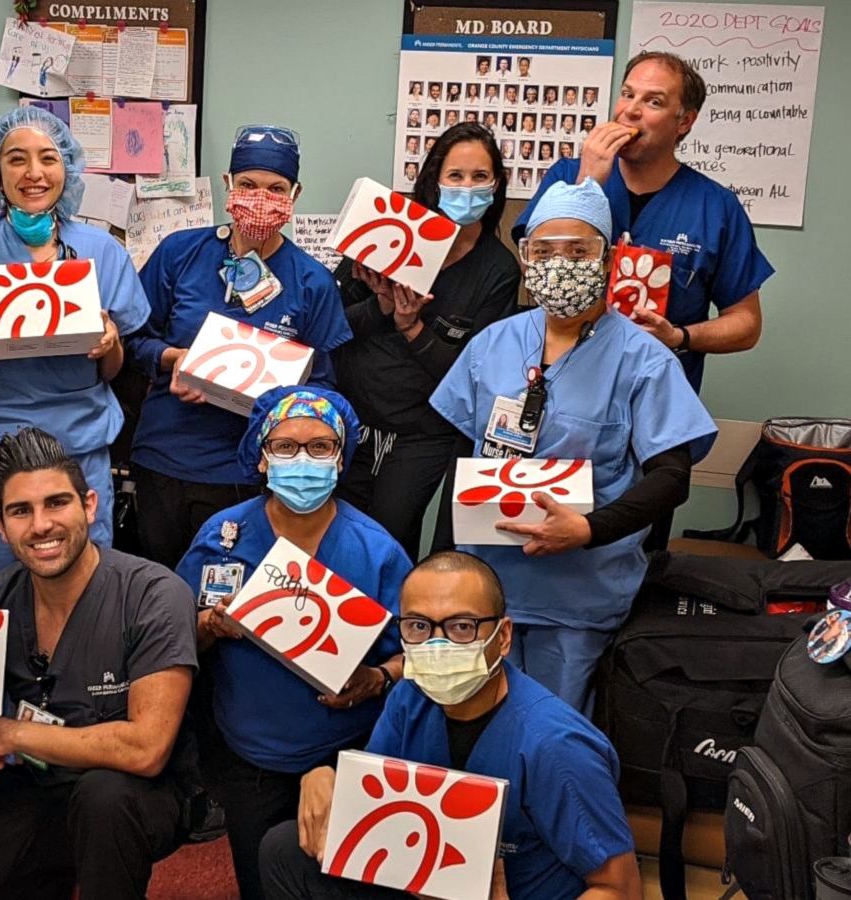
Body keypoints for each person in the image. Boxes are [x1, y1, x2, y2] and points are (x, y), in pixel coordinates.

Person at [432, 179, 716, 711]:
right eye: (543, 250)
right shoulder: (492, 345)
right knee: (475, 727)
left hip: (578, 597)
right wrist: (448, 566)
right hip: (486, 588)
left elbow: (670, 478)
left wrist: (587, 530)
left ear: (607, 258)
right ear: (525, 257)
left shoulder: (643, 359)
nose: (559, 263)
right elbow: (460, 460)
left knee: (556, 735)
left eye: (578, 250)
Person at [0, 428, 197, 900]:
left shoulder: (153, 594)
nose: (41, 525)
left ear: (89, 505)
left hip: (140, 795)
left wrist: (11, 733)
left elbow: (146, 750)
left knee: (103, 800)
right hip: (39, 781)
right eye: (20, 511)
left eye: (56, 503)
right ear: (0, 527)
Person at [257, 552, 641, 900]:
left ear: (503, 636)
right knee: (285, 850)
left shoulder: (556, 746)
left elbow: (620, 890)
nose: (437, 646)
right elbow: (372, 808)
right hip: (425, 881)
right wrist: (323, 776)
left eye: (461, 627)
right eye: (419, 627)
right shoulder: (411, 698)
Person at [177, 386, 409, 900]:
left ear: (341, 459)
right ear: (261, 457)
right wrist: (210, 625)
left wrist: (376, 679)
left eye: (320, 447)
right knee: (262, 883)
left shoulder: (377, 551)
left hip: (346, 756)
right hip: (248, 761)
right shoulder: (223, 537)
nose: (302, 460)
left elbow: (417, 654)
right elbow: (169, 641)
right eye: (286, 446)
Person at [0, 105, 147, 605]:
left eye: (48, 158)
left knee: (81, 600)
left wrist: (109, 343)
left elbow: (111, 368)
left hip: (78, 447)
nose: (33, 172)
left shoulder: (101, 252)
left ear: (66, 169)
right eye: (16, 159)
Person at [127, 125, 350, 571]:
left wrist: (279, 395)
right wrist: (174, 360)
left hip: (246, 472)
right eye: (247, 185)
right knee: (156, 588)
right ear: (228, 184)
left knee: (227, 594)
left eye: (275, 188)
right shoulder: (179, 253)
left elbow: (323, 386)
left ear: (295, 194)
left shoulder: (312, 281)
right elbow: (132, 339)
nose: (259, 198)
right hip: (166, 458)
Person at [515, 51, 772, 392]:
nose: (630, 110)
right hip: (563, 387)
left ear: (684, 122)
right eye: (627, 94)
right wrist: (587, 185)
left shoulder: (716, 207)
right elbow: (536, 275)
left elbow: (746, 324)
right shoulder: (566, 177)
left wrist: (680, 336)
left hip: (656, 394)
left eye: (653, 101)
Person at [334, 123, 520, 556]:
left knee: (390, 540)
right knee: (339, 541)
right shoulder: (389, 229)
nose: (467, 187)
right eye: (455, 176)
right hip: (352, 416)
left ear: (496, 185)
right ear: (434, 179)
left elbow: (473, 377)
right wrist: (381, 305)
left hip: (424, 433)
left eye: (480, 177)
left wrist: (412, 327)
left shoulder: (498, 270)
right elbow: (331, 328)